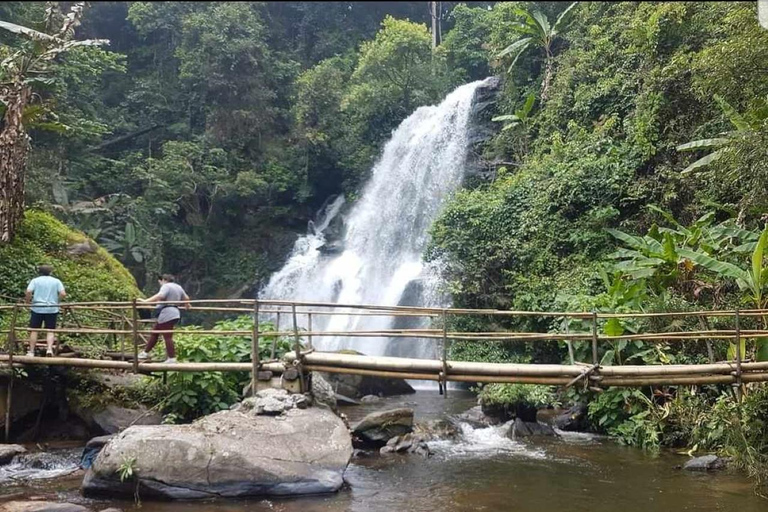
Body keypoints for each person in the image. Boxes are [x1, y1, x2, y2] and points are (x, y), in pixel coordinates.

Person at [137, 274, 190, 363]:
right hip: (174, 312)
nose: (160, 284)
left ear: (163, 280)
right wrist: (187, 305)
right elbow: (186, 298)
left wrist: (145, 301)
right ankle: (145, 352)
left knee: (167, 336)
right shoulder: (178, 287)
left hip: (167, 313)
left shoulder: (166, 286)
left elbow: (160, 296)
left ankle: (172, 358)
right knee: (155, 332)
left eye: (160, 282)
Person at [25, 264, 66, 357]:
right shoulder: (56, 281)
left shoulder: (35, 281)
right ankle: (49, 350)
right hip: (52, 309)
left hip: (37, 308)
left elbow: (28, 291)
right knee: (50, 330)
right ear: (50, 272)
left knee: (34, 330)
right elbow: (63, 293)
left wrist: (28, 301)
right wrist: (57, 301)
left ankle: (31, 352)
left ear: (39, 272)